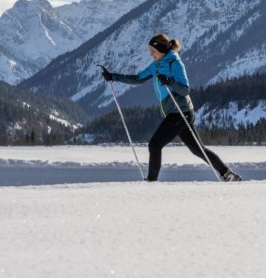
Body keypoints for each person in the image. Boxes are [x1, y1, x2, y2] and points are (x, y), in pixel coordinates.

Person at [101, 33, 241, 182]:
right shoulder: (155, 66)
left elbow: (185, 90)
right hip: (176, 114)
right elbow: (138, 78)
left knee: (155, 145)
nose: (151, 54)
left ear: (161, 48)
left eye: (153, 51)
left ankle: (151, 183)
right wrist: (113, 77)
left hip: (180, 112)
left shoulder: (175, 63)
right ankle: (227, 174)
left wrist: (169, 81)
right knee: (198, 150)